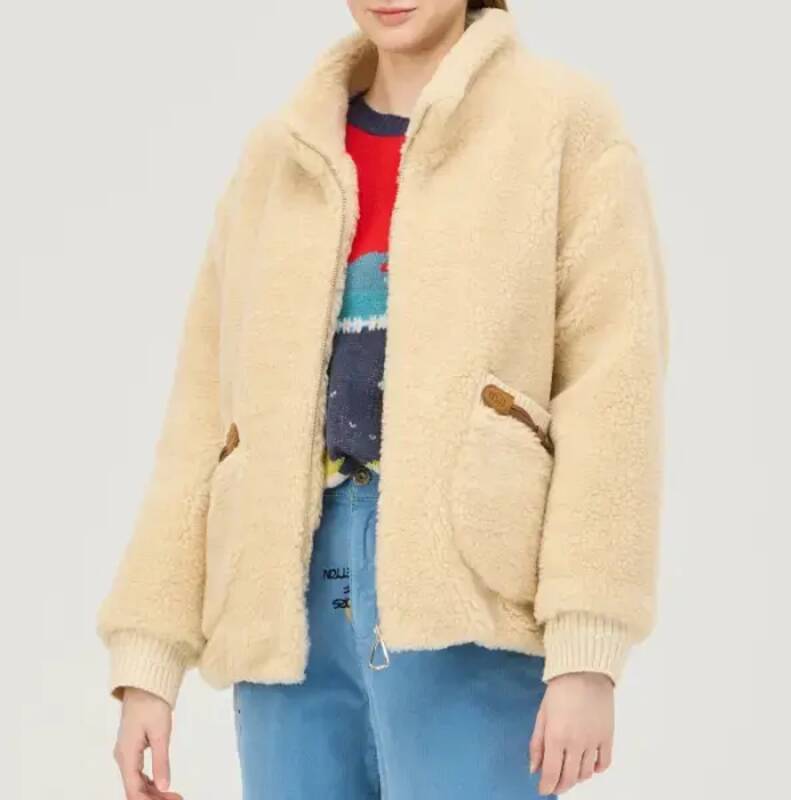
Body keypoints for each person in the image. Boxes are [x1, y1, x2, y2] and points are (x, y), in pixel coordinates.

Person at [98, 1, 668, 798]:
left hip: (469, 599)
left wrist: (588, 648)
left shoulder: (560, 124)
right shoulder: (279, 154)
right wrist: (150, 659)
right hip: (285, 612)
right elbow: (200, 416)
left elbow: (613, 395)